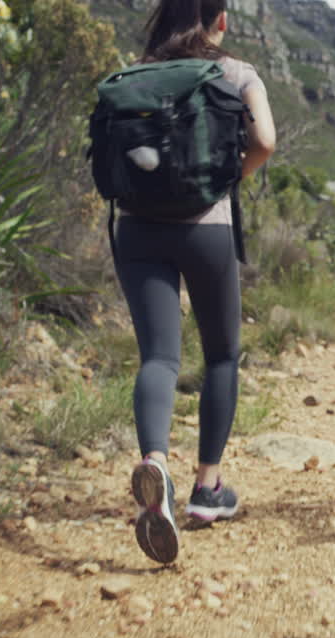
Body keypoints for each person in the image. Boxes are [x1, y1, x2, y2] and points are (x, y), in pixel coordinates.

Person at [115, 0, 276, 564]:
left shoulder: (134, 73)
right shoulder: (236, 72)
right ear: (220, 20)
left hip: (136, 229)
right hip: (206, 228)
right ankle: (208, 489)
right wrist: (223, 179)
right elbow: (265, 140)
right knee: (221, 356)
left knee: (159, 357)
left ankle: (155, 462)